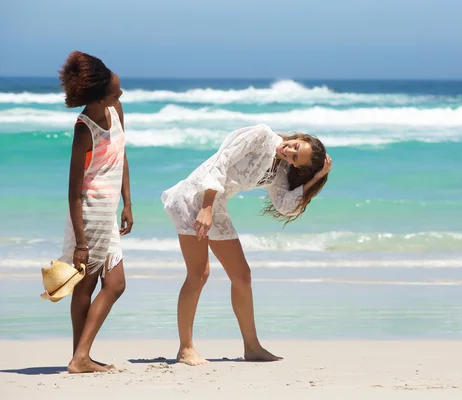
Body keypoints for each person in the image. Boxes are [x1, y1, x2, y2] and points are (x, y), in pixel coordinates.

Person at [161, 124, 332, 365]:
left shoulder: (282, 170)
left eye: (295, 158)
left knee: (242, 276)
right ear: (300, 138)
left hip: (215, 206)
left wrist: (317, 177)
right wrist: (206, 208)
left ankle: (252, 347)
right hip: (193, 200)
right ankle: (185, 348)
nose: (289, 152)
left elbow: (284, 205)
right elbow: (220, 162)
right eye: (295, 147)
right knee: (199, 273)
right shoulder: (261, 135)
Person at [58, 51, 132, 373]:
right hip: (89, 217)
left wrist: (127, 202)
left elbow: (121, 155)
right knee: (88, 288)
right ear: (99, 96)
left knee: (114, 284)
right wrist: (81, 243)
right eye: (116, 92)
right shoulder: (83, 129)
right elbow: (73, 192)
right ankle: (80, 357)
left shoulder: (115, 111)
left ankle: (80, 356)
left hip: (110, 214)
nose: (121, 95)